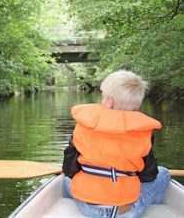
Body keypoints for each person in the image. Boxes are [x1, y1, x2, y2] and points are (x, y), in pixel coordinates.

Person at [63, 70, 171, 218]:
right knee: (163, 173)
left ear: (109, 101)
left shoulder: (84, 124)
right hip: (124, 210)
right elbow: (149, 175)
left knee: (68, 180)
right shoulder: (143, 131)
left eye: (103, 97)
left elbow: (69, 169)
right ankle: (151, 208)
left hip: (88, 207)